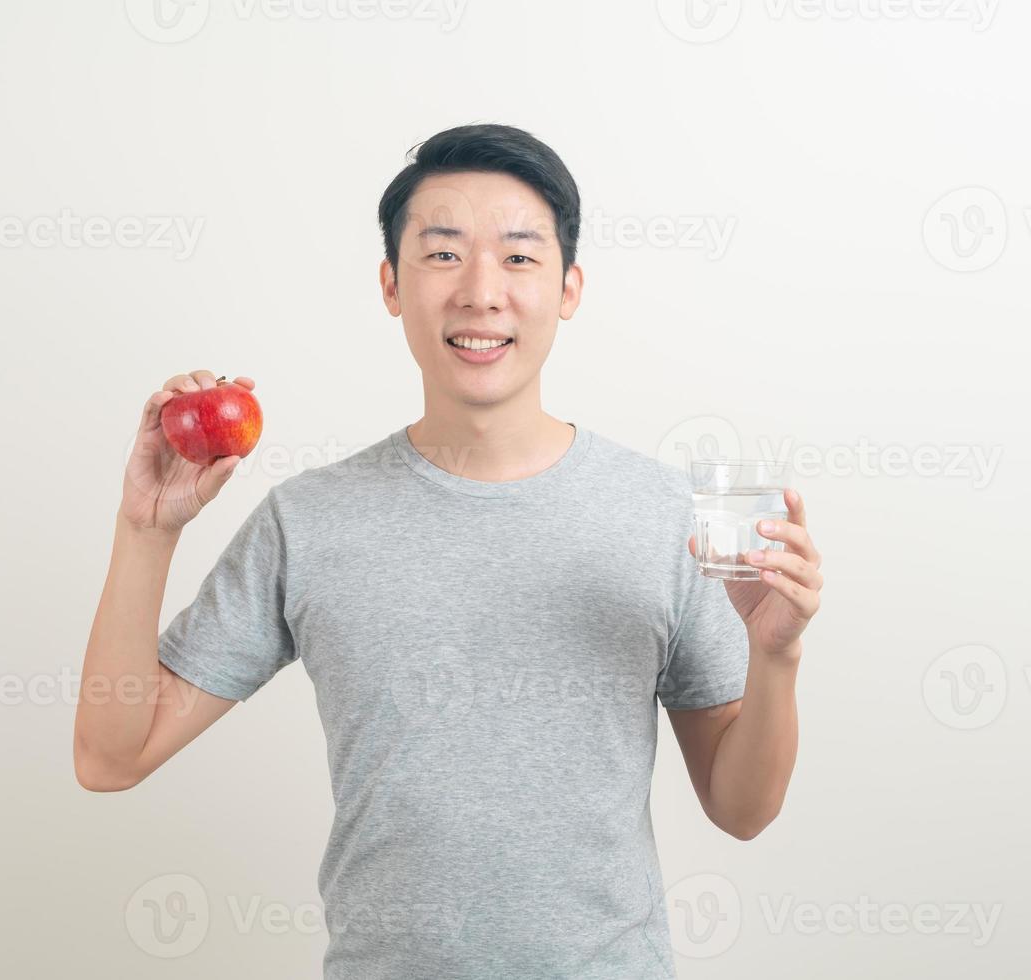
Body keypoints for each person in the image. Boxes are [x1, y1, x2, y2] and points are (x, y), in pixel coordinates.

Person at [73, 122, 824, 979]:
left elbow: (743, 808)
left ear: (569, 287)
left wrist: (778, 656)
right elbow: (109, 756)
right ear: (391, 285)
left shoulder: (666, 514)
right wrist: (146, 530)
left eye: (518, 257)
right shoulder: (309, 521)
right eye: (441, 255)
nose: (480, 292)